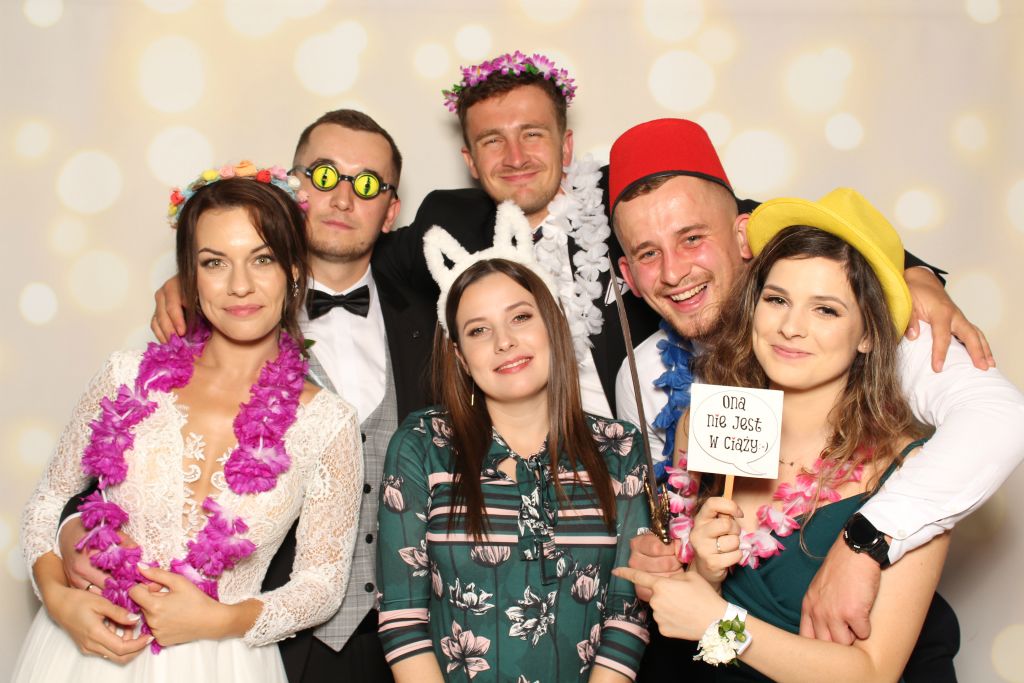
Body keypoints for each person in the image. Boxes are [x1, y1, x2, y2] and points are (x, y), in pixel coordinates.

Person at [607, 119, 1024, 678]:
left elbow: (869, 671)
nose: (792, 326)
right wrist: (691, 565)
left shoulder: (916, 475)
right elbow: (692, 585)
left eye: (691, 238)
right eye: (776, 301)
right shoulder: (693, 409)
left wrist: (863, 543)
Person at [69, 110, 433, 683]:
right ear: (292, 189)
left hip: (408, 642)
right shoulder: (213, 312)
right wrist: (66, 540)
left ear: (391, 212)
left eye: (367, 184)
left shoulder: (436, 319)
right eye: (324, 175)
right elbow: (112, 479)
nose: (342, 197)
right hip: (254, 642)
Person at [13, 165, 363, 682]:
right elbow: (48, 501)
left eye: (262, 259)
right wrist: (58, 598)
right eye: (215, 262)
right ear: (190, 276)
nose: (240, 285)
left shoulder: (328, 423)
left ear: (293, 269)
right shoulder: (125, 377)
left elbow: (323, 584)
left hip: (223, 661)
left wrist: (221, 620)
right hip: (84, 653)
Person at [375, 204, 651, 682]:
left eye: (520, 317)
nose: (503, 341)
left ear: (553, 325)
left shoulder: (620, 449)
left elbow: (627, 616)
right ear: (461, 357)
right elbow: (402, 619)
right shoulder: (421, 445)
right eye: (479, 330)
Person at [371, 50, 662, 418]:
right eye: (493, 141)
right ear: (471, 161)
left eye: (532, 134)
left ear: (566, 146)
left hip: (648, 443)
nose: (516, 157)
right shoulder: (449, 223)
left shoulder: (626, 198)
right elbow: (357, 254)